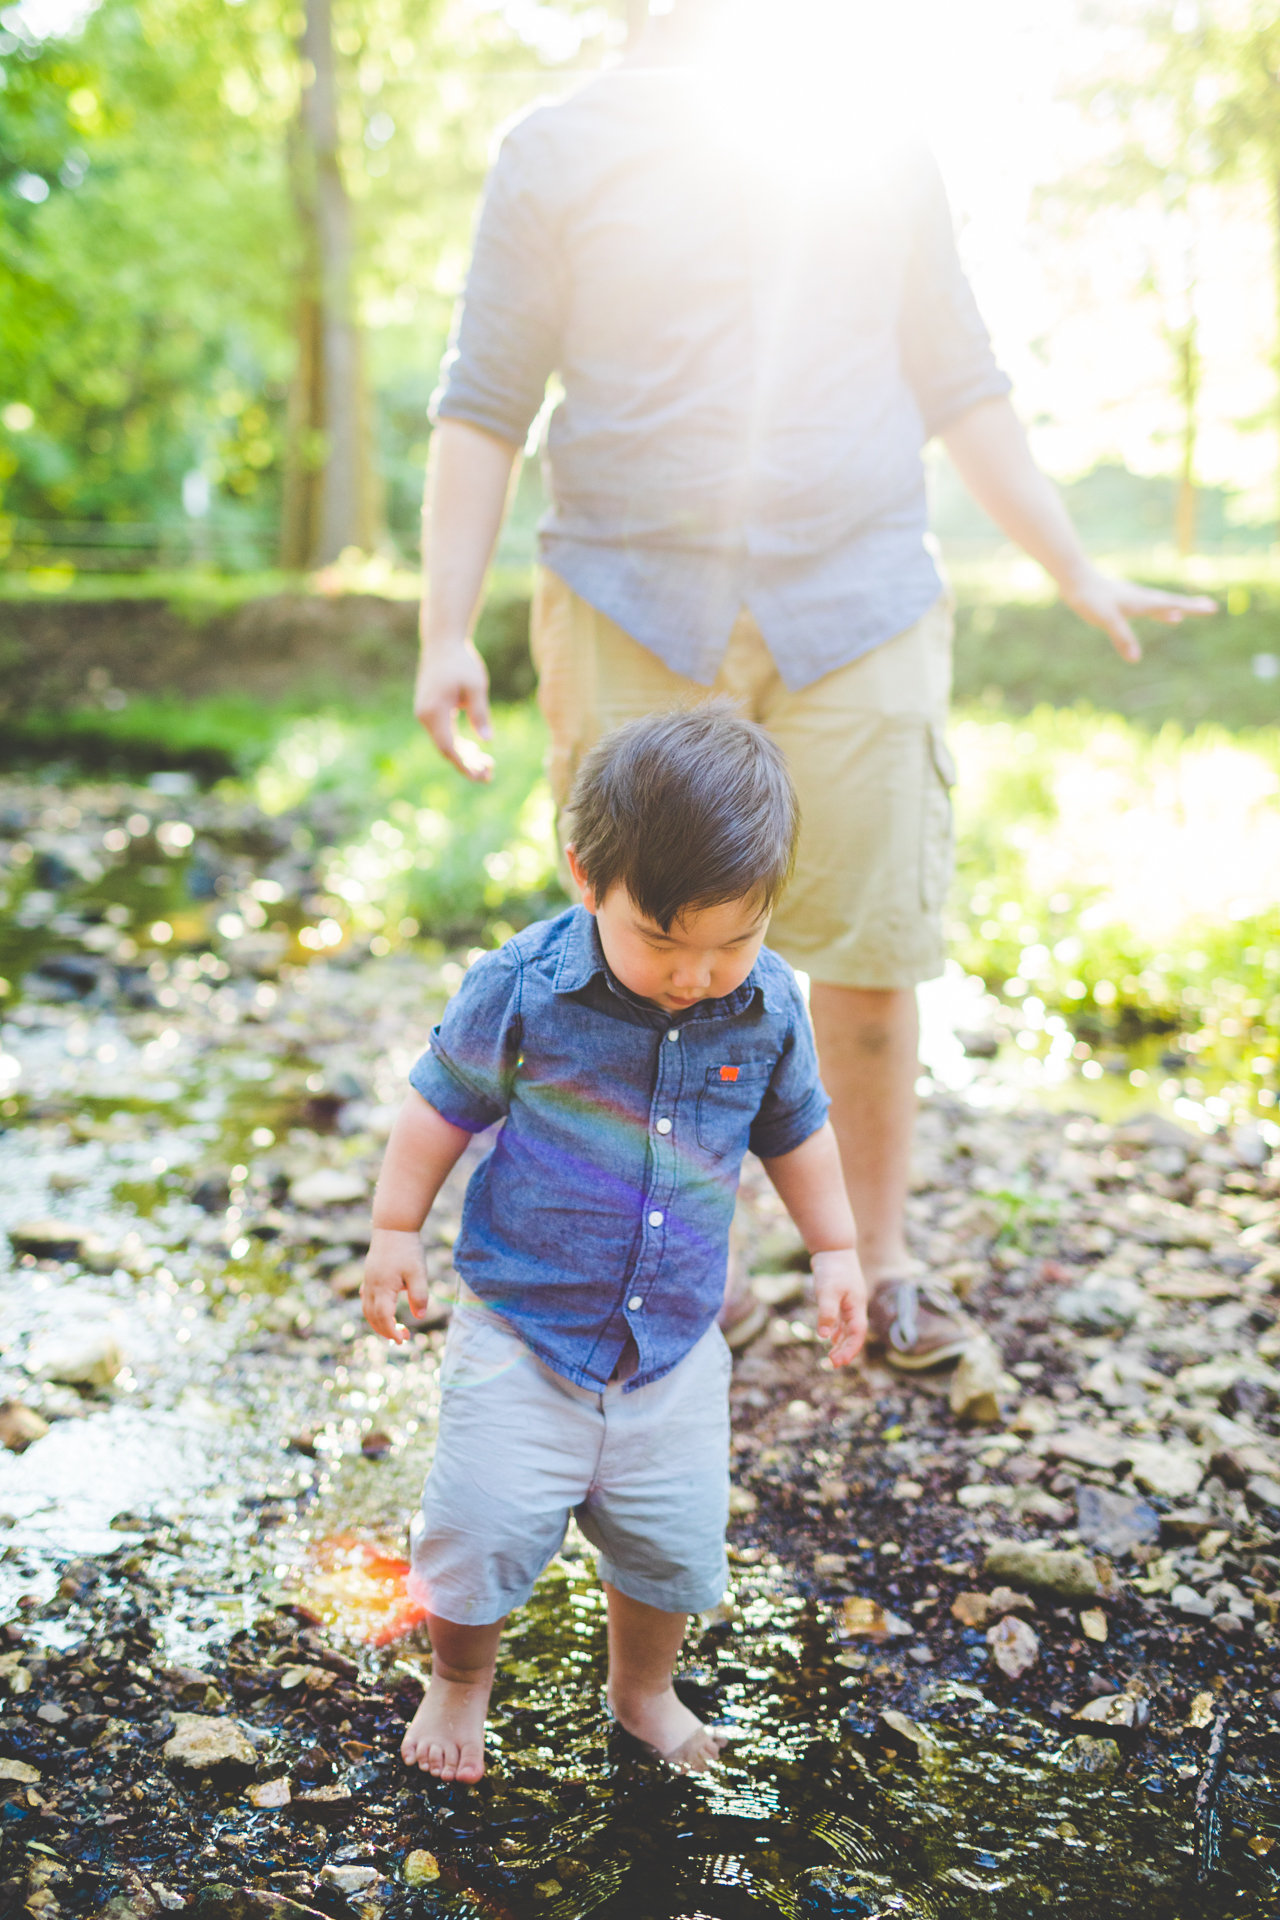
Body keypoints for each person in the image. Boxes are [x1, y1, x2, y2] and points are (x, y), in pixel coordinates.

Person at [410, 0, 1216, 1368]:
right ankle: (671, 1252)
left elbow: (960, 377)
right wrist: (443, 631)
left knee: (870, 947)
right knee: (644, 947)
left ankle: (881, 1259)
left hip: (859, 591)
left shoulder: (874, 140)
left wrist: (1072, 563)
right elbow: (484, 399)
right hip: (625, 586)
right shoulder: (553, 150)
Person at [361, 706, 866, 1781]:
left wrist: (835, 1250)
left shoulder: (768, 1005)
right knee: (477, 1531)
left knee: (669, 1548)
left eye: (734, 939)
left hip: (674, 1347)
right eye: (664, 940)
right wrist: (394, 1227)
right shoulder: (523, 984)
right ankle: (459, 1682)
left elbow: (799, 1133)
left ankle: (641, 1690)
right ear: (585, 876)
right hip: (520, 1330)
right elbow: (437, 1107)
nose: (696, 974)